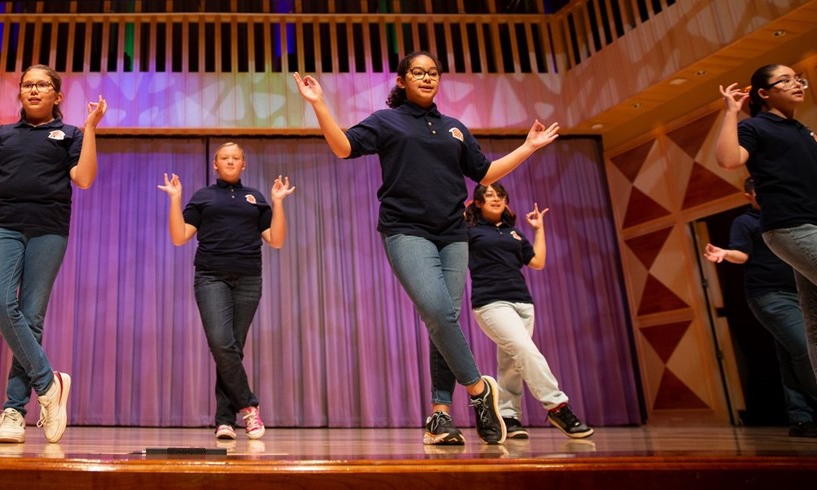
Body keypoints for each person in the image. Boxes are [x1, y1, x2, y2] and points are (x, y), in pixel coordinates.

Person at [293, 51, 559, 445]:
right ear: (401, 81)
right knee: (437, 311)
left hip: (453, 234)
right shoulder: (387, 121)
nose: (427, 78)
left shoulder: (454, 128)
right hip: (406, 230)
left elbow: (484, 173)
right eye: (418, 72)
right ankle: (478, 392)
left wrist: (529, 147)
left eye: (433, 73)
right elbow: (344, 147)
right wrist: (319, 105)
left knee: (443, 321)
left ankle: (440, 417)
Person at [0, 64, 106, 444]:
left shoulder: (70, 134)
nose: (34, 90)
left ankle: (12, 410)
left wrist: (90, 128)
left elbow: (85, 178)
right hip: (5, 225)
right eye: (27, 85)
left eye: (42, 85)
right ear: (20, 93)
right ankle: (48, 382)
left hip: (48, 229)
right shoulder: (4, 135)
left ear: (57, 96)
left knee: (30, 317)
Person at [717, 64, 817, 443]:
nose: (796, 84)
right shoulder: (755, 127)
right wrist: (731, 112)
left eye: (799, 78)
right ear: (763, 93)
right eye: (786, 80)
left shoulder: (804, 130)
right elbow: (729, 159)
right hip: (793, 227)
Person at [157, 143, 295, 440]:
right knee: (221, 343)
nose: (230, 161)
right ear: (215, 165)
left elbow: (277, 239)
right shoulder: (203, 197)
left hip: (248, 279)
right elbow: (180, 236)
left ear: (243, 164)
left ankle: (224, 420)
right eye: (224, 158)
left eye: (236, 158)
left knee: (231, 349)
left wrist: (278, 202)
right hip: (211, 277)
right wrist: (175, 199)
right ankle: (249, 407)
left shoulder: (256, 198)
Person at [464, 183, 593, 440]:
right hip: (491, 303)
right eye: (489, 195)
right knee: (525, 350)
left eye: (500, 195)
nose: (496, 198)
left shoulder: (515, 234)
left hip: (523, 303)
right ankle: (557, 405)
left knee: (512, 362)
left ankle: (509, 417)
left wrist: (538, 230)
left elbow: (537, 262)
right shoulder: (469, 231)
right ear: (477, 203)